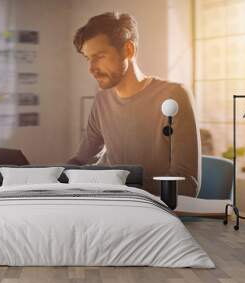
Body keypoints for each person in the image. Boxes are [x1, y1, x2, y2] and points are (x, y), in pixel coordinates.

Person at [67, 12, 201, 197]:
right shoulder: (102, 99)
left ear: (129, 50)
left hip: (152, 210)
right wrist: (54, 178)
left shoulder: (174, 96)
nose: (91, 69)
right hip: (113, 203)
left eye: (99, 56)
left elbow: (187, 185)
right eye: (88, 58)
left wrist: (116, 183)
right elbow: (81, 159)